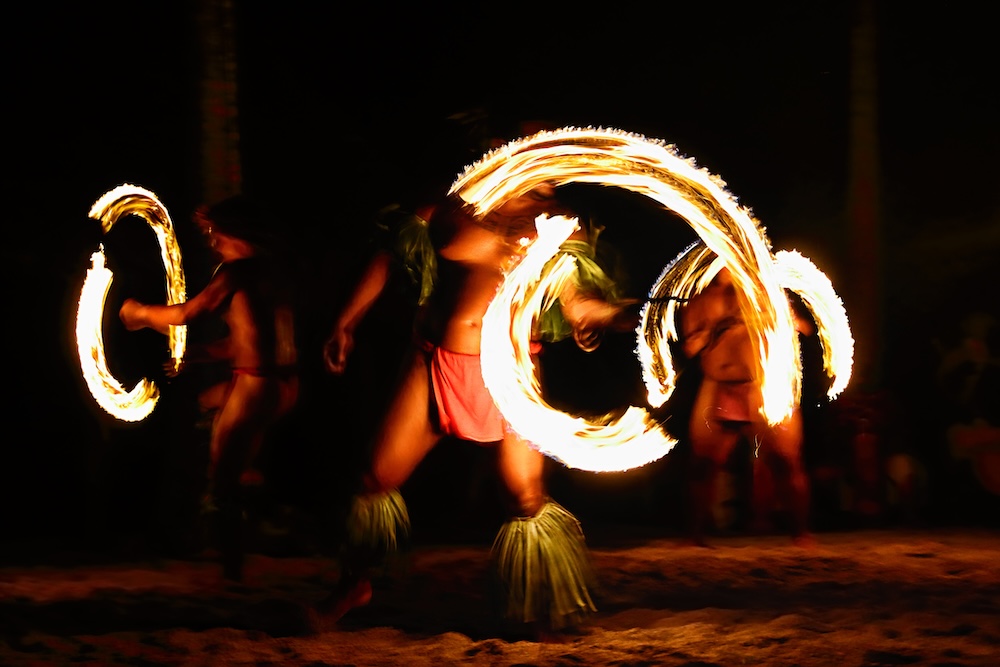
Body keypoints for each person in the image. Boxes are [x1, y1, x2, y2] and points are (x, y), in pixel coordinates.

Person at [317, 182, 636, 638]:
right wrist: (345, 322)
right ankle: (353, 586)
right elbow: (389, 257)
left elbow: (574, 295)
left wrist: (601, 315)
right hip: (432, 361)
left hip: (510, 369)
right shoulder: (448, 205)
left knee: (524, 497)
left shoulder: (560, 222)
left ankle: (540, 608)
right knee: (374, 478)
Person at [119, 195, 299, 582]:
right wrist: (196, 355)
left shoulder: (236, 273)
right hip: (282, 382)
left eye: (212, 232)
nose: (210, 240)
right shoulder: (273, 270)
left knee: (224, 479)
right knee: (208, 404)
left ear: (231, 231)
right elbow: (244, 342)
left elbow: (186, 314)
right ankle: (255, 491)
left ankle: (234, 565)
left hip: (257, 385)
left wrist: (138, 313)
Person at [677, 266, 815, 547]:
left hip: (764, 385)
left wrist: (776, 319)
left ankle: (801, 533)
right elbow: (690, 347)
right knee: (702, 465)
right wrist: (716, 329)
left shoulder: (766, 294)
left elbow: (804, 328)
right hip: (718, 385)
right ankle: (694, 535)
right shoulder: (701, 301)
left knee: (786, 461)